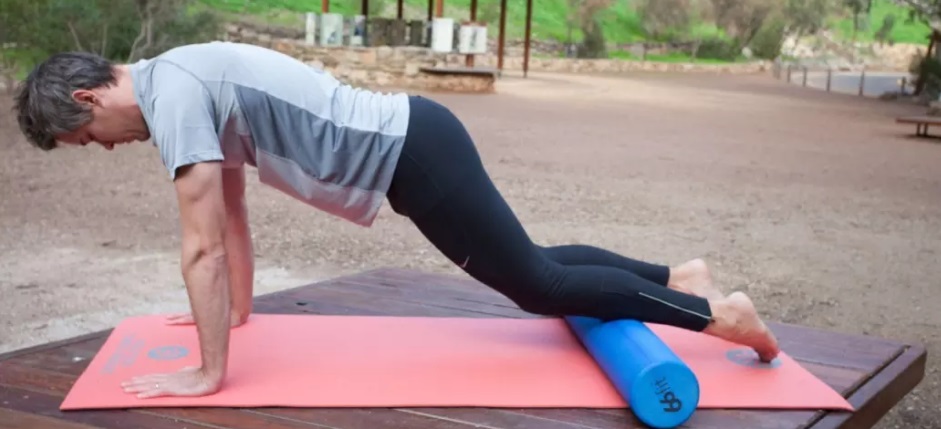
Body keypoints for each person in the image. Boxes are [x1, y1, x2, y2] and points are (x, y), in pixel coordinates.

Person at [13, 42, 780, 399]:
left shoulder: (171, 94)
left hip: (410, 151)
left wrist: (208, 372)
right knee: (532, 258)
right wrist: (238, 316)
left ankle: (714, 315)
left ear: (89, 101)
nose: (103, 150)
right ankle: (673, 275)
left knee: (537, 284)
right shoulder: (177, 79)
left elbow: (202, 246)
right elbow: (231, 215)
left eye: (88, 140)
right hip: (415, 141)